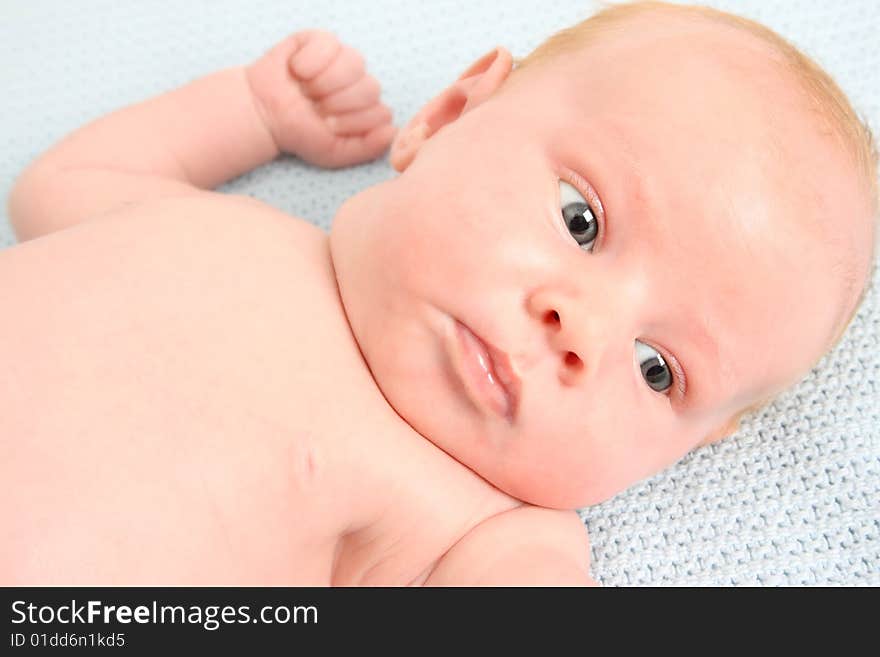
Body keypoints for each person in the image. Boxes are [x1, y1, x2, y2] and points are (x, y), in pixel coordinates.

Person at [2, 0, 876, 585]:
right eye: (582, 220)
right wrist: (250, 112)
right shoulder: (224, 231)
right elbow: (62, 183)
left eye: (657, 369)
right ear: (452, 114)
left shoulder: (480, 526)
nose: (583, 330)